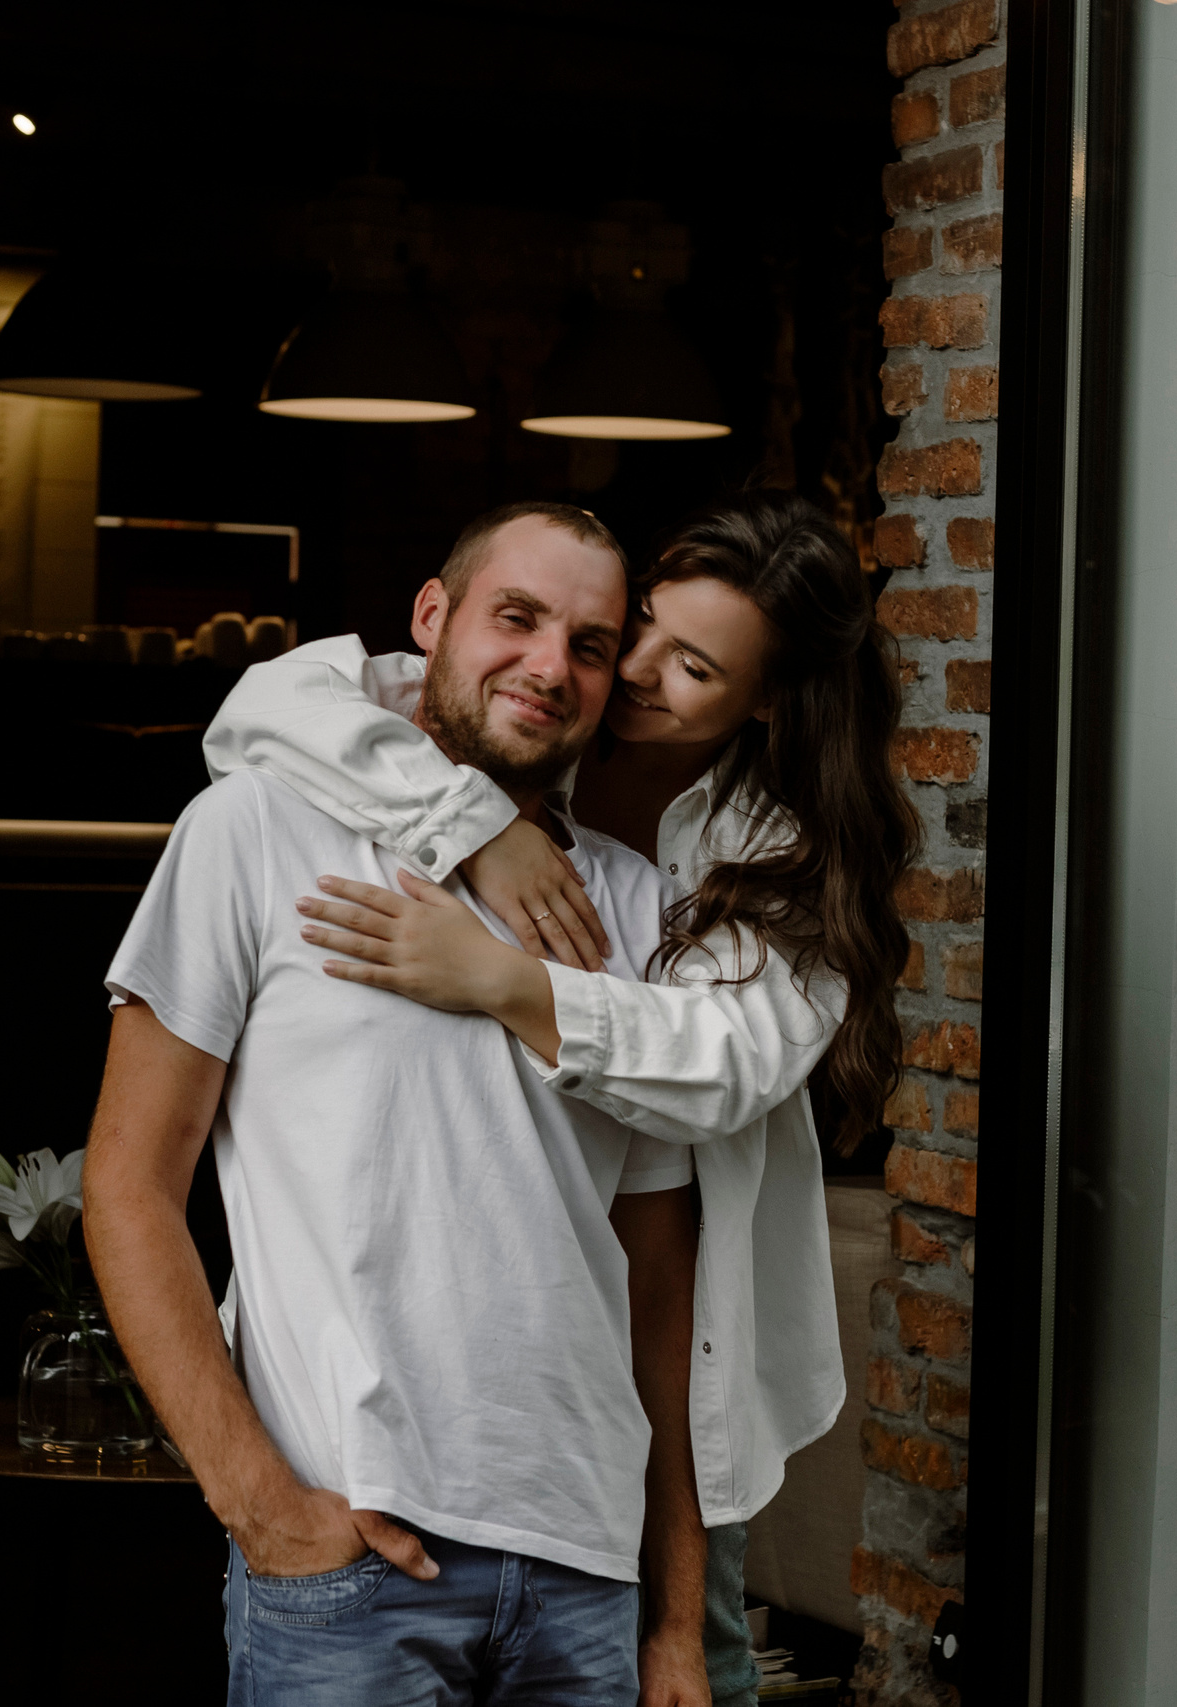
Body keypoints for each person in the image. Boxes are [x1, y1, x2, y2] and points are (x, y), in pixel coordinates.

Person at [204, 488, 920, 1707]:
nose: (630, 671)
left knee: (696, 1674)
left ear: (763, 705)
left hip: (664, 1422)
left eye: (691, 667)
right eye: (637, 626)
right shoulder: (496, 723)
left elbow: (719, 1067)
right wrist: (479, 824)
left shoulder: (776, 854)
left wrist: (501, 977)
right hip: (405, 1478)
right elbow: (264, 706)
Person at [84, 502, 718, 1707]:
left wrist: (674, 1615)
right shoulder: (255, 832)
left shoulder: (638, 912)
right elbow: (126, 1185)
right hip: (353, 1565)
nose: (550, 665)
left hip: (587, 1581)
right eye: (516, 618)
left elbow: (659, 1295)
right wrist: (265, 1508)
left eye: (589, 644)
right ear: (431, 618)